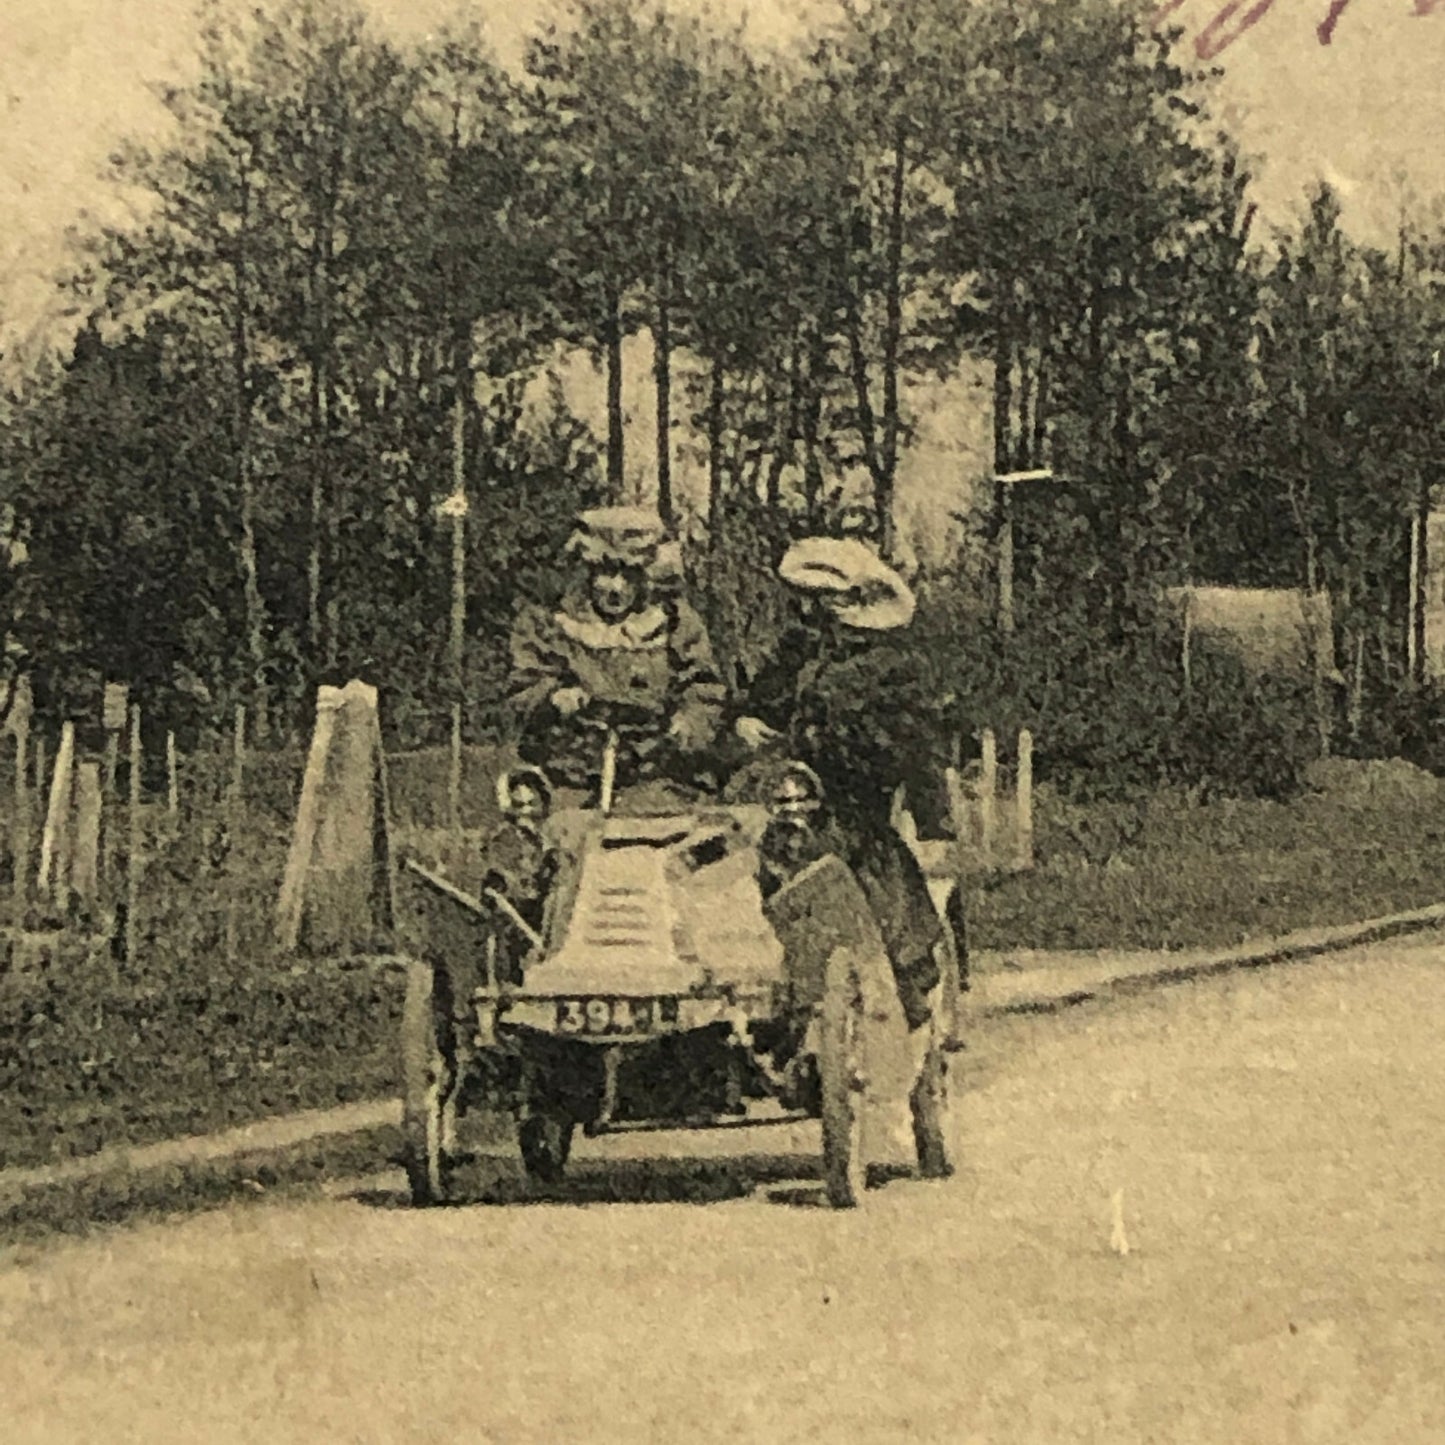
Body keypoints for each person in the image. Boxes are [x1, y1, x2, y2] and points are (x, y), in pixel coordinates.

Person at [739, 535, 958, 1176]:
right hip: (790, 811)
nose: (812, 614)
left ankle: (910, 1031)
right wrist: (749, 723)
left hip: (857, 816)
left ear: (854, 601)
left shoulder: (893, 668)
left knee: (890, 921)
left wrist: (934, 821)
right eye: (805, 603)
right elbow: (756, 705)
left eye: (824, 602)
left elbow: (918, 750)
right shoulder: (795, 655)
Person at [506, 507, 727, 794]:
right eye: (606, 573)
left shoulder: (674, 622)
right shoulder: (550, 623)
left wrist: (690, 721)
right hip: (568, 772)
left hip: (652, 773)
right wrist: (553, 696)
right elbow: (523, 685)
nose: (616, 588)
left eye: (630, 575)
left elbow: (703, 687)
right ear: (587, 571)